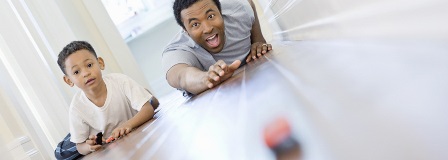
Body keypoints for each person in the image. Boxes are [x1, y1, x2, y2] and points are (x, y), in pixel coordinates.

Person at [56, 41, 156, 155]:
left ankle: (147, 96)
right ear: (69, 80)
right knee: (62, 152)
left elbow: (148, 109)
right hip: (112, 149)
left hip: (135, 137)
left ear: (100, 63)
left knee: (150, 102)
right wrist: (89, 146)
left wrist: (128, 124)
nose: (85, 73)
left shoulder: (120, 81)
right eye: (76, 72)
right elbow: (80, 147)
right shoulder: (76, 108)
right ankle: (145, 95)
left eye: (89, 65)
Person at [162, 0, 272, 95]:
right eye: (195, 24)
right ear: (185, 31)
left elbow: (249, 3)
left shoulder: (238, 10)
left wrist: (258, 39)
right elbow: (181, 76)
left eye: (210, 16)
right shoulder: (178, 49)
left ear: (220, 12)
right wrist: (206, 78)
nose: (208, 29)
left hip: (258, 82)